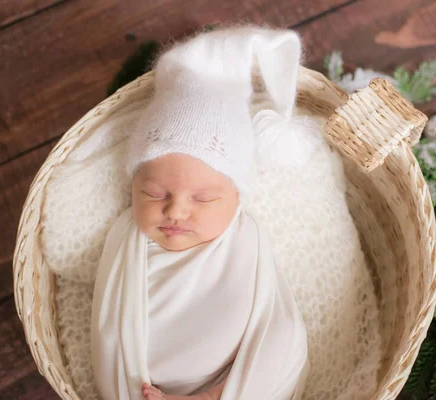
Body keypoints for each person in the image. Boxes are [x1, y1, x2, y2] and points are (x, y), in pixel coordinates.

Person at [90, 26, 311, 400]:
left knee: (287, 338)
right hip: (148, 381)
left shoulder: (245, 235)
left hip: (233, 376)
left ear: (236, 199)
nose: (175, 210)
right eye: (154, 192)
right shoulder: (127, 237)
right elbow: (109, 326)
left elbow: (273, 312)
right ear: (133, 186)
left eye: (205, 198)